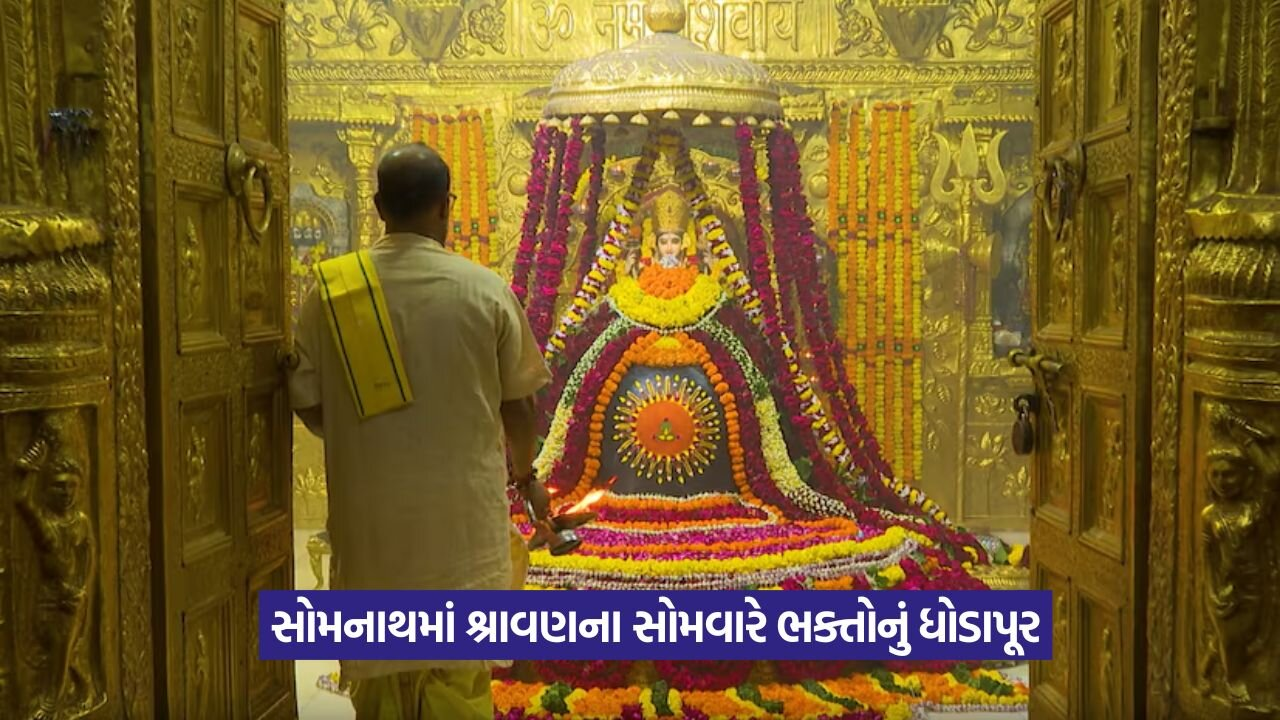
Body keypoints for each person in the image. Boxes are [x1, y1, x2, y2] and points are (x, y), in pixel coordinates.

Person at [289, 143, 552, 719]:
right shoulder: (484, 291)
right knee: (458, 685)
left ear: (379, 205)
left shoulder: (331, 294)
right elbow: (520, 407)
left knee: (380, 688)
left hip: (374, 533)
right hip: (462, 534)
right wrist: (526, 473)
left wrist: (367, 440)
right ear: (446, 207)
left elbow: (308, 404)